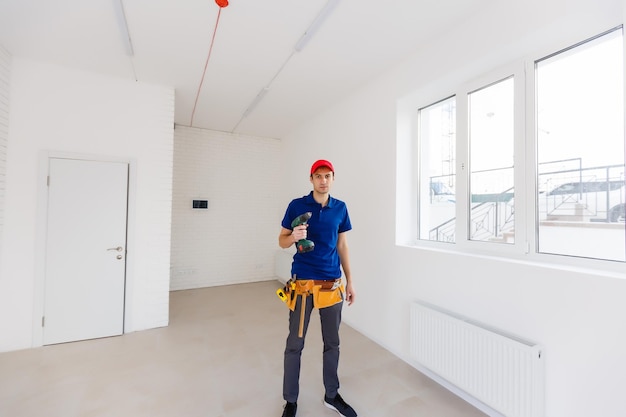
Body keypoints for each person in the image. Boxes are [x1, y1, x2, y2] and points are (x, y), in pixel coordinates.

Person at [278, 159, 357, 417]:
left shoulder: (340, 208)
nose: (323, 180)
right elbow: (281, 241)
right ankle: (291, 402)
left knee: (332, 343)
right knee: (295, 345)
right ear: (311, 179)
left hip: (332, 286)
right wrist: (294, 237)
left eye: (328, 176)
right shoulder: (297, 206)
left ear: (333, 179)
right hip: (302, 286)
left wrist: (350, 281)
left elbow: (342, 246)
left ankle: (331, 395)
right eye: (318, 176)